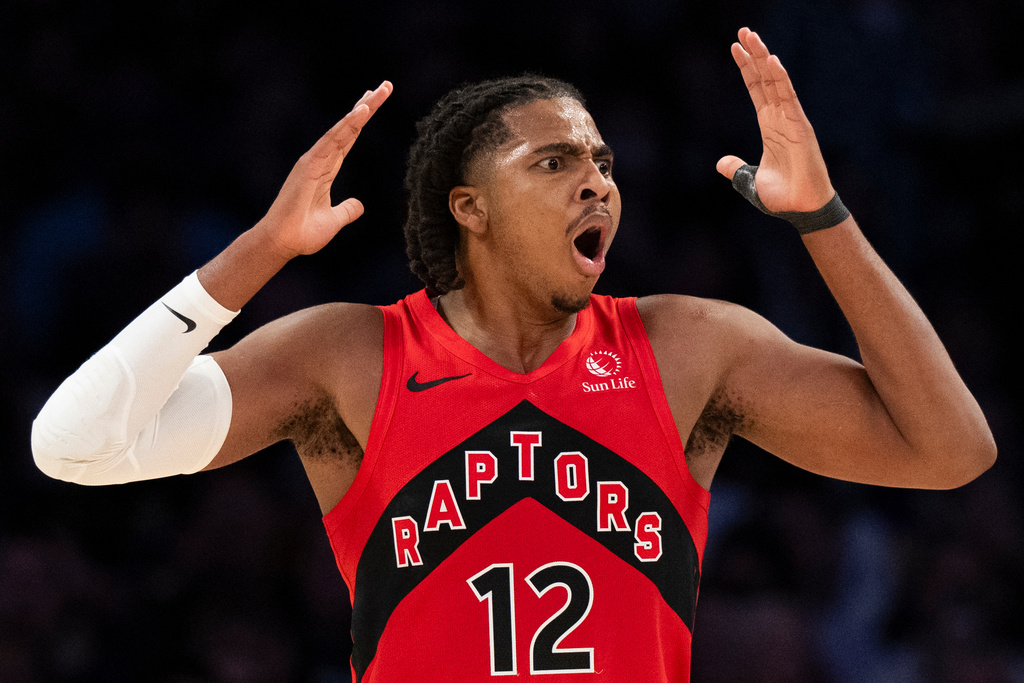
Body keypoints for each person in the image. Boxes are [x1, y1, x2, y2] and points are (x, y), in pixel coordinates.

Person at [31, 28, 995, 682]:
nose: (597, 185)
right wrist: (260, 254)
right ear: (469, 207)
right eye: (555, 162)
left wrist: (821, 218)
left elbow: (949, 450)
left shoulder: (689, 346)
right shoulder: (351, 355)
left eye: (604, 164)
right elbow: (71, 446)